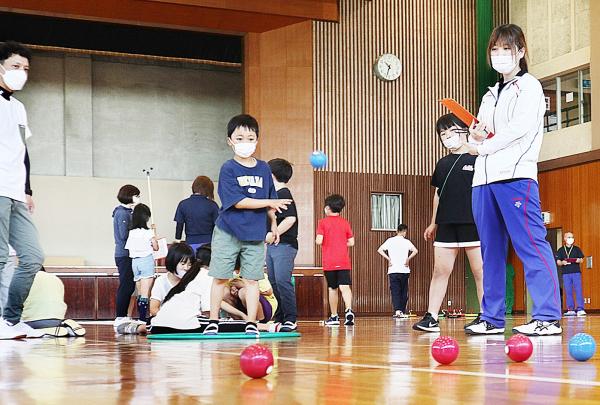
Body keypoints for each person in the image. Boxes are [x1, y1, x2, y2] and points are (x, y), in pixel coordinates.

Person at [464, 24, 562, 336]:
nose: (500, 55)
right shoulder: (490, 94)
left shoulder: (530, 87)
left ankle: (547, 316)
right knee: (490, 250)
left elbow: (517, 130)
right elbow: (481, 130)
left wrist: (480, 145)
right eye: (495, 50)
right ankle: (491, 318)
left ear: (520, 52)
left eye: (507, 49)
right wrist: (475, 134)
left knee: (530, 244)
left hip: (516, 177)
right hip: (483, 181)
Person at [204, 114, 291, 336]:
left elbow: (271, 203)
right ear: (230, 141)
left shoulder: (263, 168)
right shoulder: (228, 168)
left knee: (252, 280)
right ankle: (213, 320)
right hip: (228, 231)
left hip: (255, 234)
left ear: (257, 140)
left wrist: (273, 225)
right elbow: (239, 202)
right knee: (221, 277)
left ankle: (251, 322)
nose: (245, 142)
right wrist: (270, 202)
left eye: (250, 138)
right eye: (240, 138)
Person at [412, 114, 484, 333]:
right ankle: (431, 317)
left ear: (464, 130)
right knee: (440, 271)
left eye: (451, 131)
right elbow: (438, 194)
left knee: (480, 271)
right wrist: (433, 223)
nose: (447, 136)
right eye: (442, 133)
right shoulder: (442, 163)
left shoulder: (478, 158)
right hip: (446, 223)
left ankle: (486, 316)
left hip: (473, 222)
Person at [0, 41, 45, 339]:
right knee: (0, 257)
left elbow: (22, 150)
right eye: (16, 66)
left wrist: (28, 189)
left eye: (26, 69)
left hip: (16, 192)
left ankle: (10, 319)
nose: (22, 73)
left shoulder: (19, 107)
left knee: (32, 256)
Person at [265, 158, 299, 332]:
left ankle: (291, 318)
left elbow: (291, 218)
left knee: (282, 281)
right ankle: (280, 317)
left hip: (284, 245)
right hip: (273, 246)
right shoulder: (272, 196)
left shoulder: (283, 193)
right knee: (274, 281)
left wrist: (274, 233)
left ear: (271, 175)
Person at [316, 194, 355, 326]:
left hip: (329, 262)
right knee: (345, 287)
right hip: (343, 261)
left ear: (327, 208)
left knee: (333, 288)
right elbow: (351, 242)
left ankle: (334, 317)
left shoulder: (322, 222)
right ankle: (349, 311)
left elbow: (319, 240)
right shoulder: (345, 222)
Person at [112, 184, 140, 329]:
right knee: (126, 285)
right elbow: (124, 235)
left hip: (129, 254)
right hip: (125, 254)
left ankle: (123, 315)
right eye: (137, 195)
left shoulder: (127, 212)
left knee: (129, 286)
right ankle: (120, 316)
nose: (138, 198)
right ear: (130, 196)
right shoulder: (122, 213)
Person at [125, 203, 159, 322]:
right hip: (146, 262)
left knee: (140, 292)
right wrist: (154, 233)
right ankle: (143, 319)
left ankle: (141, 317)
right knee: (145, 293)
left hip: (135, 263)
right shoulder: (148, 232)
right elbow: (156, 247)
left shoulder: (131, 232)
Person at [377, 224, 418, 319]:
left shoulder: (390, 241)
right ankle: (402, 311)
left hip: (393, 270)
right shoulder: (406, 242)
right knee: (404, 291)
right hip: (404, 269)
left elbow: (380, 250)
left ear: (397, 231)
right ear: (404, 231)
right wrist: (408, 259)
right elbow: (415, 251)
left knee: (395, 291)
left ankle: (398, 311)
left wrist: (389, 259)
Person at [174, 176, 219, 251]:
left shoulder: (183, 204)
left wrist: (177, 240)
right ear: (208, 189)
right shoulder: (212, 205)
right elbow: (218, 226)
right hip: (209, 243)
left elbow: (179, 224)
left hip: (190, 242)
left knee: (192, 262)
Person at [149, 242, 195, 317]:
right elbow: (153, 309)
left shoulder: (192, 281)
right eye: (183, 264)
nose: (186, 268)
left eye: (189, 264)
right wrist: (171, 318)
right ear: (173, 261)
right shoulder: (161, 282)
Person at [556, 232, 586, 317]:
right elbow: (558, 262)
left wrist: (578, 260)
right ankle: (570, 309)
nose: (571, 239)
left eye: (572, 237)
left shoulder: (577, 249)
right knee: (568, 291)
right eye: (569, 237)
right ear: (565, 238)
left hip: (576, 272)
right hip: (566, 273)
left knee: (578, 290)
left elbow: (582, 259)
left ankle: (580, 309)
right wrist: (562, 262)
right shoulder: (561, 250)